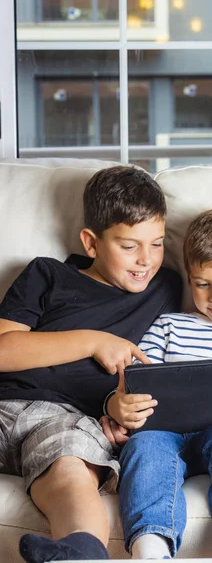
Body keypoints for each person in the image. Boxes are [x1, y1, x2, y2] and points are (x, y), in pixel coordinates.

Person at [0, 166, 182, 563]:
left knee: (70, 465)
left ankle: (79, 553)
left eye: (157, 244)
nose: (145, 260)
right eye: (129, 246)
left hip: (64, 421)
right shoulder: (46, 274)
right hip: (4, 400)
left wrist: (120, 415)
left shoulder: (166, 288)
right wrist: (91, 341)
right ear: (91, 242)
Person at [103, 208, 212, 560]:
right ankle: (151, 549)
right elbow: (132, 380)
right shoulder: (169, 325)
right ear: (189, 278)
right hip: (164, 432)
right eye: (202, 284)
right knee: (144, 447)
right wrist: (116, 404)